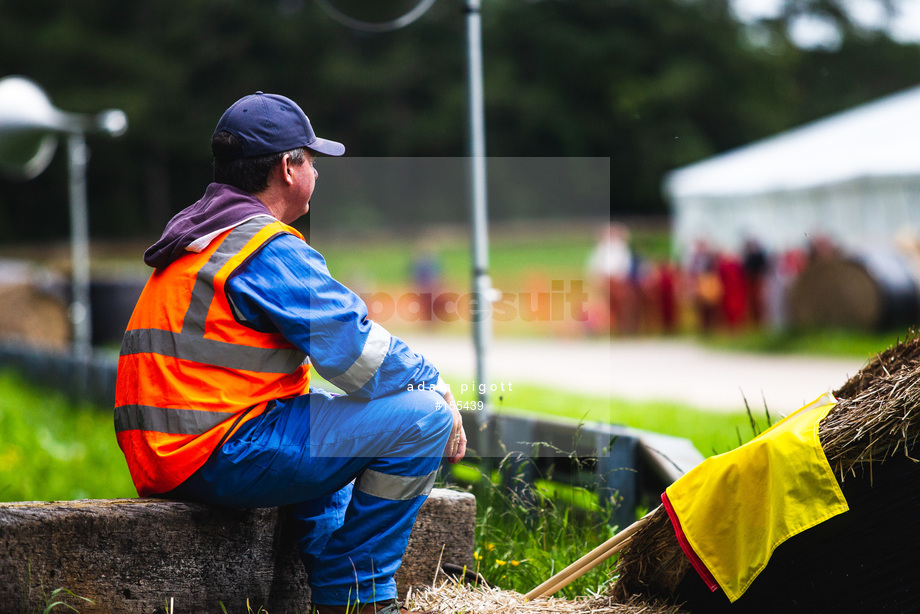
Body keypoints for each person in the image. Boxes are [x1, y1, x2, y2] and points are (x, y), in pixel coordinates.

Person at [114, 92, 466, 614]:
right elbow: (357, 352)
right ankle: (359, 595)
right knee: (422, 419)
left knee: (324, 410)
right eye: (313, 159)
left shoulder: (202, 236)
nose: (318, 173)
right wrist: (433, 385)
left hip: (169, 453)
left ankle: (329, 568)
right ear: (287, 167)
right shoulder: (263, 247)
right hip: (216, 451)